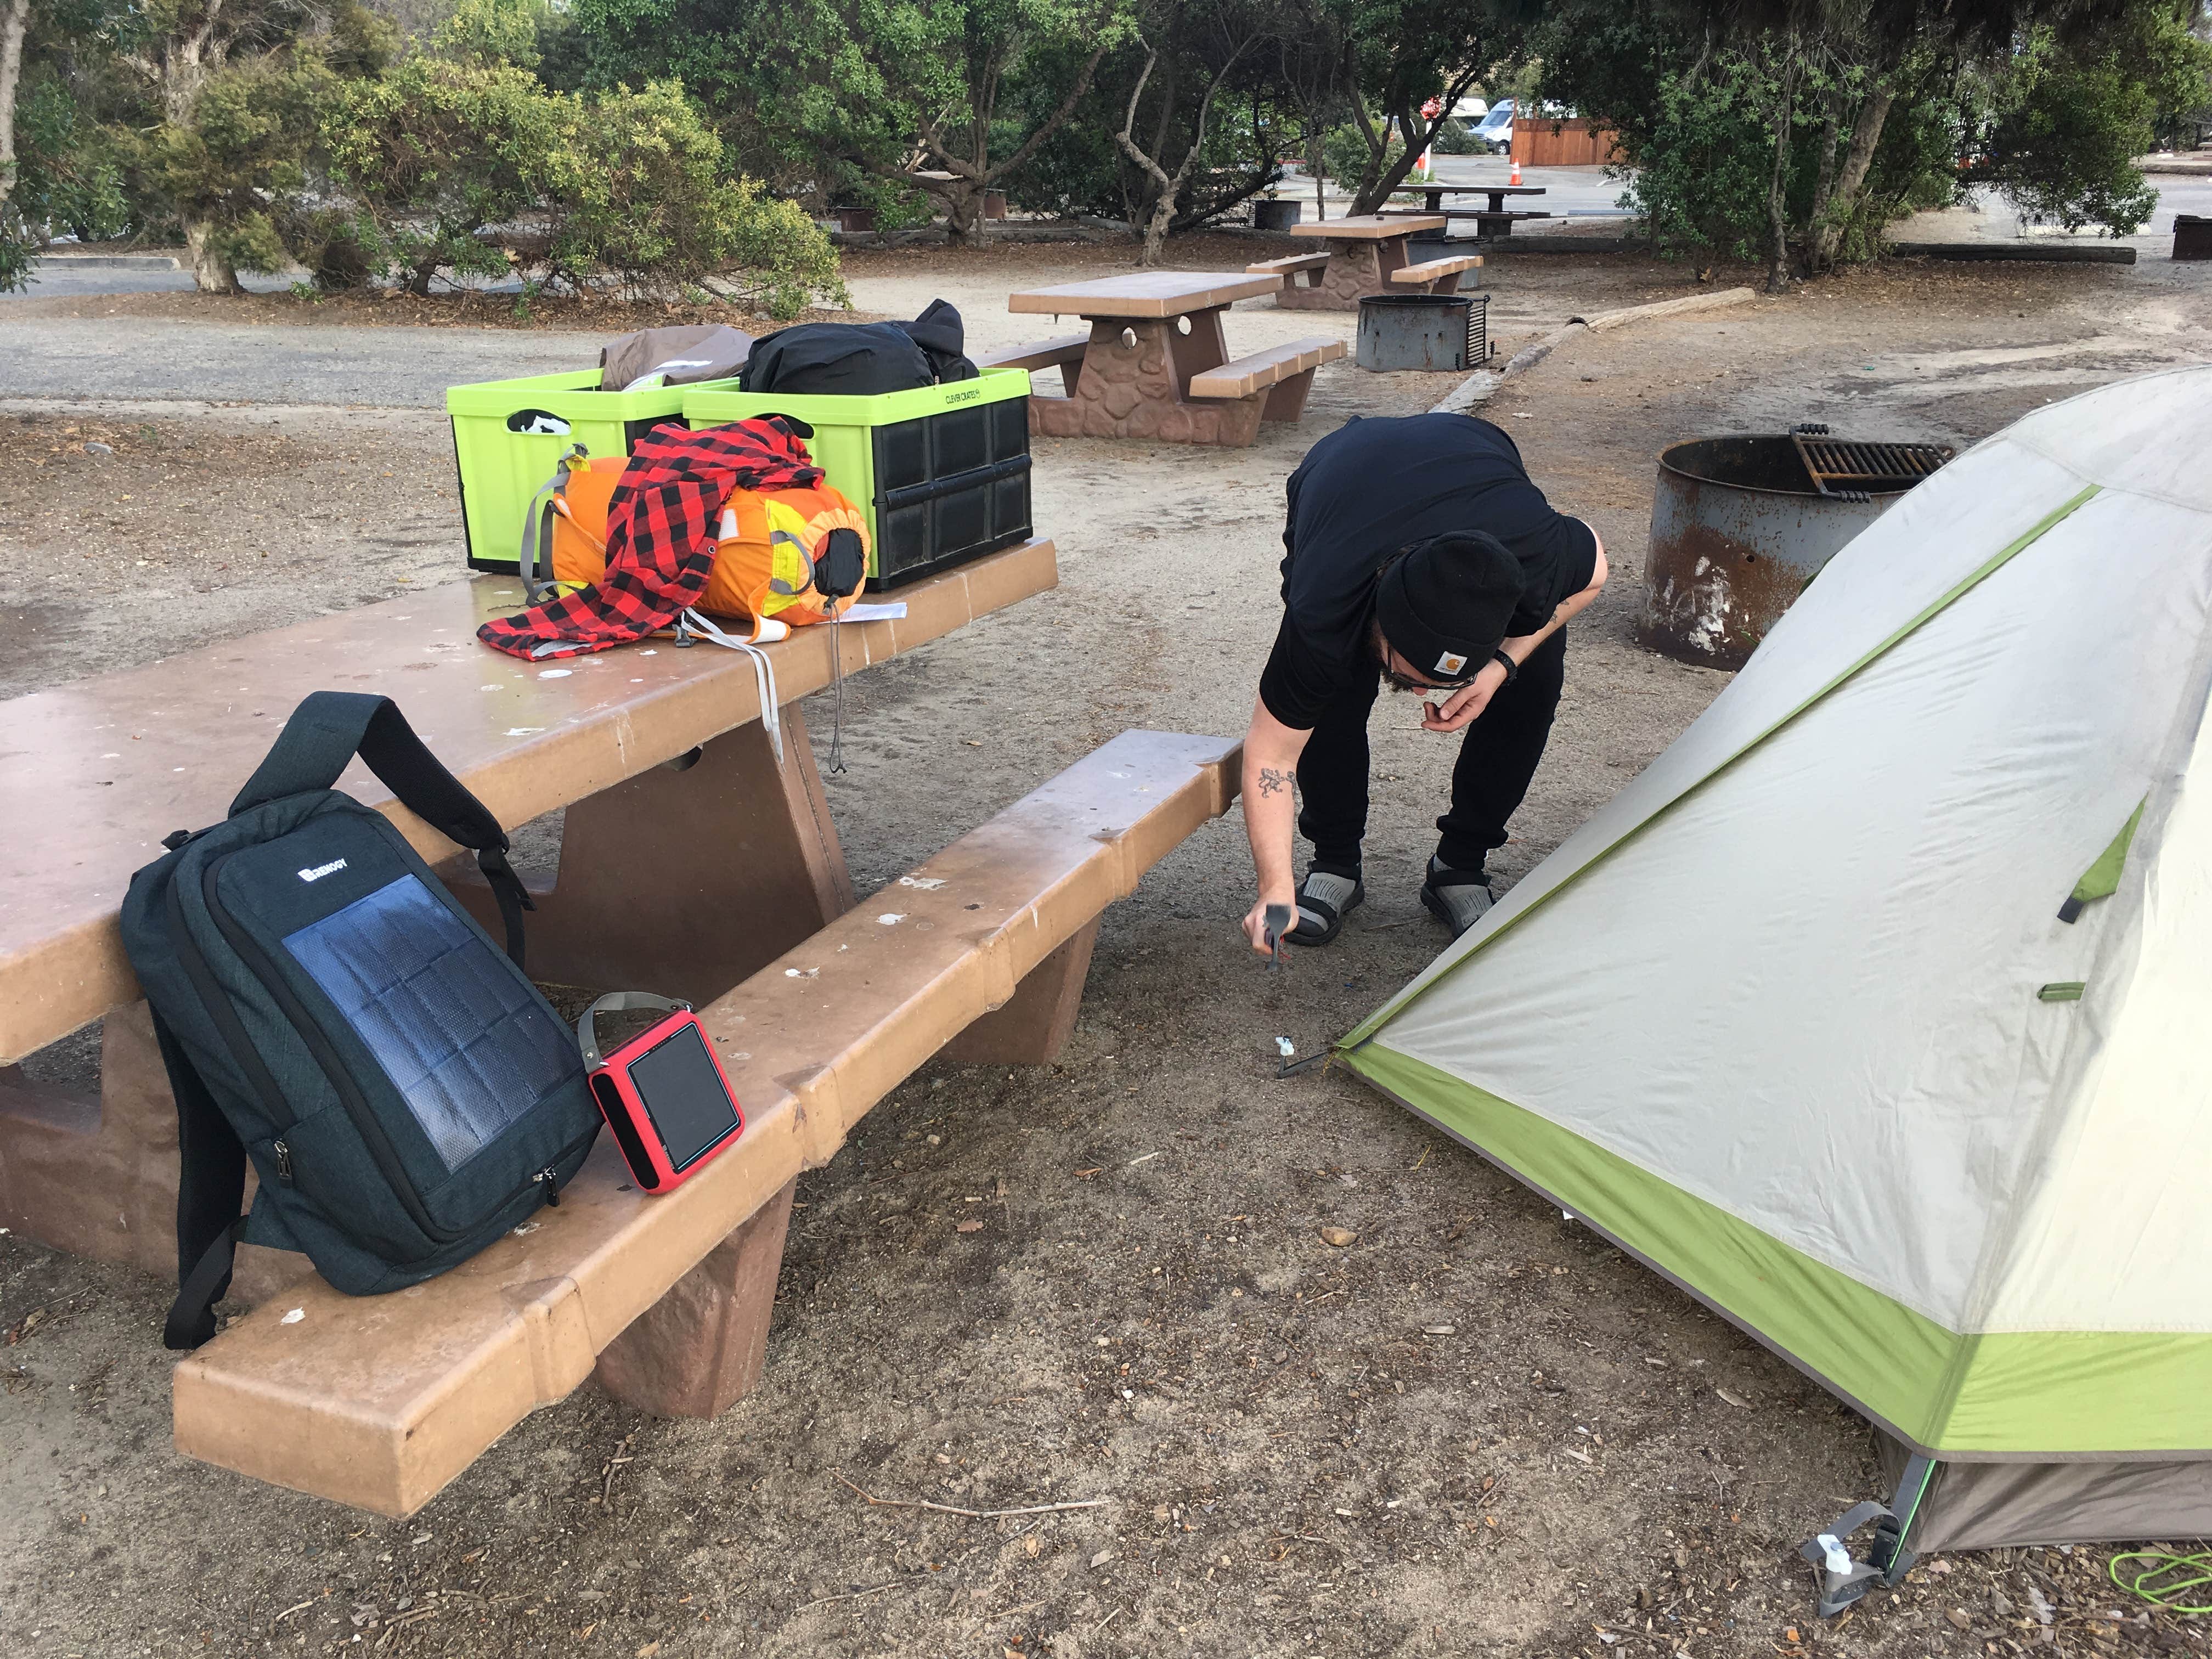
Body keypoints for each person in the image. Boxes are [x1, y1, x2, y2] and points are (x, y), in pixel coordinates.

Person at [1239, 413, 1608, 957]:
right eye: (1408, 676)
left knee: (1533, 681)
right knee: (1330, 686)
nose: (1419, 695)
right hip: (1346, 473)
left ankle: (1460, 864)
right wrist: (1274, 888)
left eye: (1434, 684)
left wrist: (1500, 667)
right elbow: (1271, 756)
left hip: (1474, 460)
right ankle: (1335, 861)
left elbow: (1596, 573)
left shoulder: (1534, 556)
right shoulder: (1326, 602)